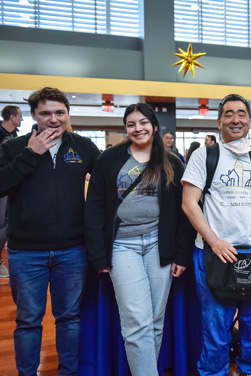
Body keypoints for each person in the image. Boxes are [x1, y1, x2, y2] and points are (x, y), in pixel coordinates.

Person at [83, 103, 192, 376]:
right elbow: (94, 206)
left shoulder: (172, 162)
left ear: (154, 125)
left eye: (143, 122)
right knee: (136, 324)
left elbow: (183, 213)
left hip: (159, 245)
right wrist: (98, 255)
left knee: (155, 322)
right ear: (126, 128)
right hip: (122, 246)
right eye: (131, 124)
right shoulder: (109, 158)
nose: (137, 128)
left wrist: (181, 255)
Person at [181, 94, 251, 376]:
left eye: (241, 113)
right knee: (215, 324)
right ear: (219, 121)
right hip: (213, 252)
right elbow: (189, 203)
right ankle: (213, 372)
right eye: (228, 114)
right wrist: (213, 241)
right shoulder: (205, 155)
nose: (235, 119)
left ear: (250, 120)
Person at [0, 87, 100, 375]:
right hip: (26, 252)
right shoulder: (13, 148)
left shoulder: (83, 147)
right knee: (28, 321)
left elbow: (107, 182)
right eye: (46, 113)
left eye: (60, 113)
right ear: (33, 115)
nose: (54, 119)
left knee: (69, 318)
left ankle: (69, 372)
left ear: (68, 114)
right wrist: (32, 154)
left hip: (73, 250)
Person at [0, 104, 22, 279]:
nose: (21, 119)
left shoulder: (14, 136)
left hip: (13, 184)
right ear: (12, 117)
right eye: (20, 115)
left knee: (7, 223)